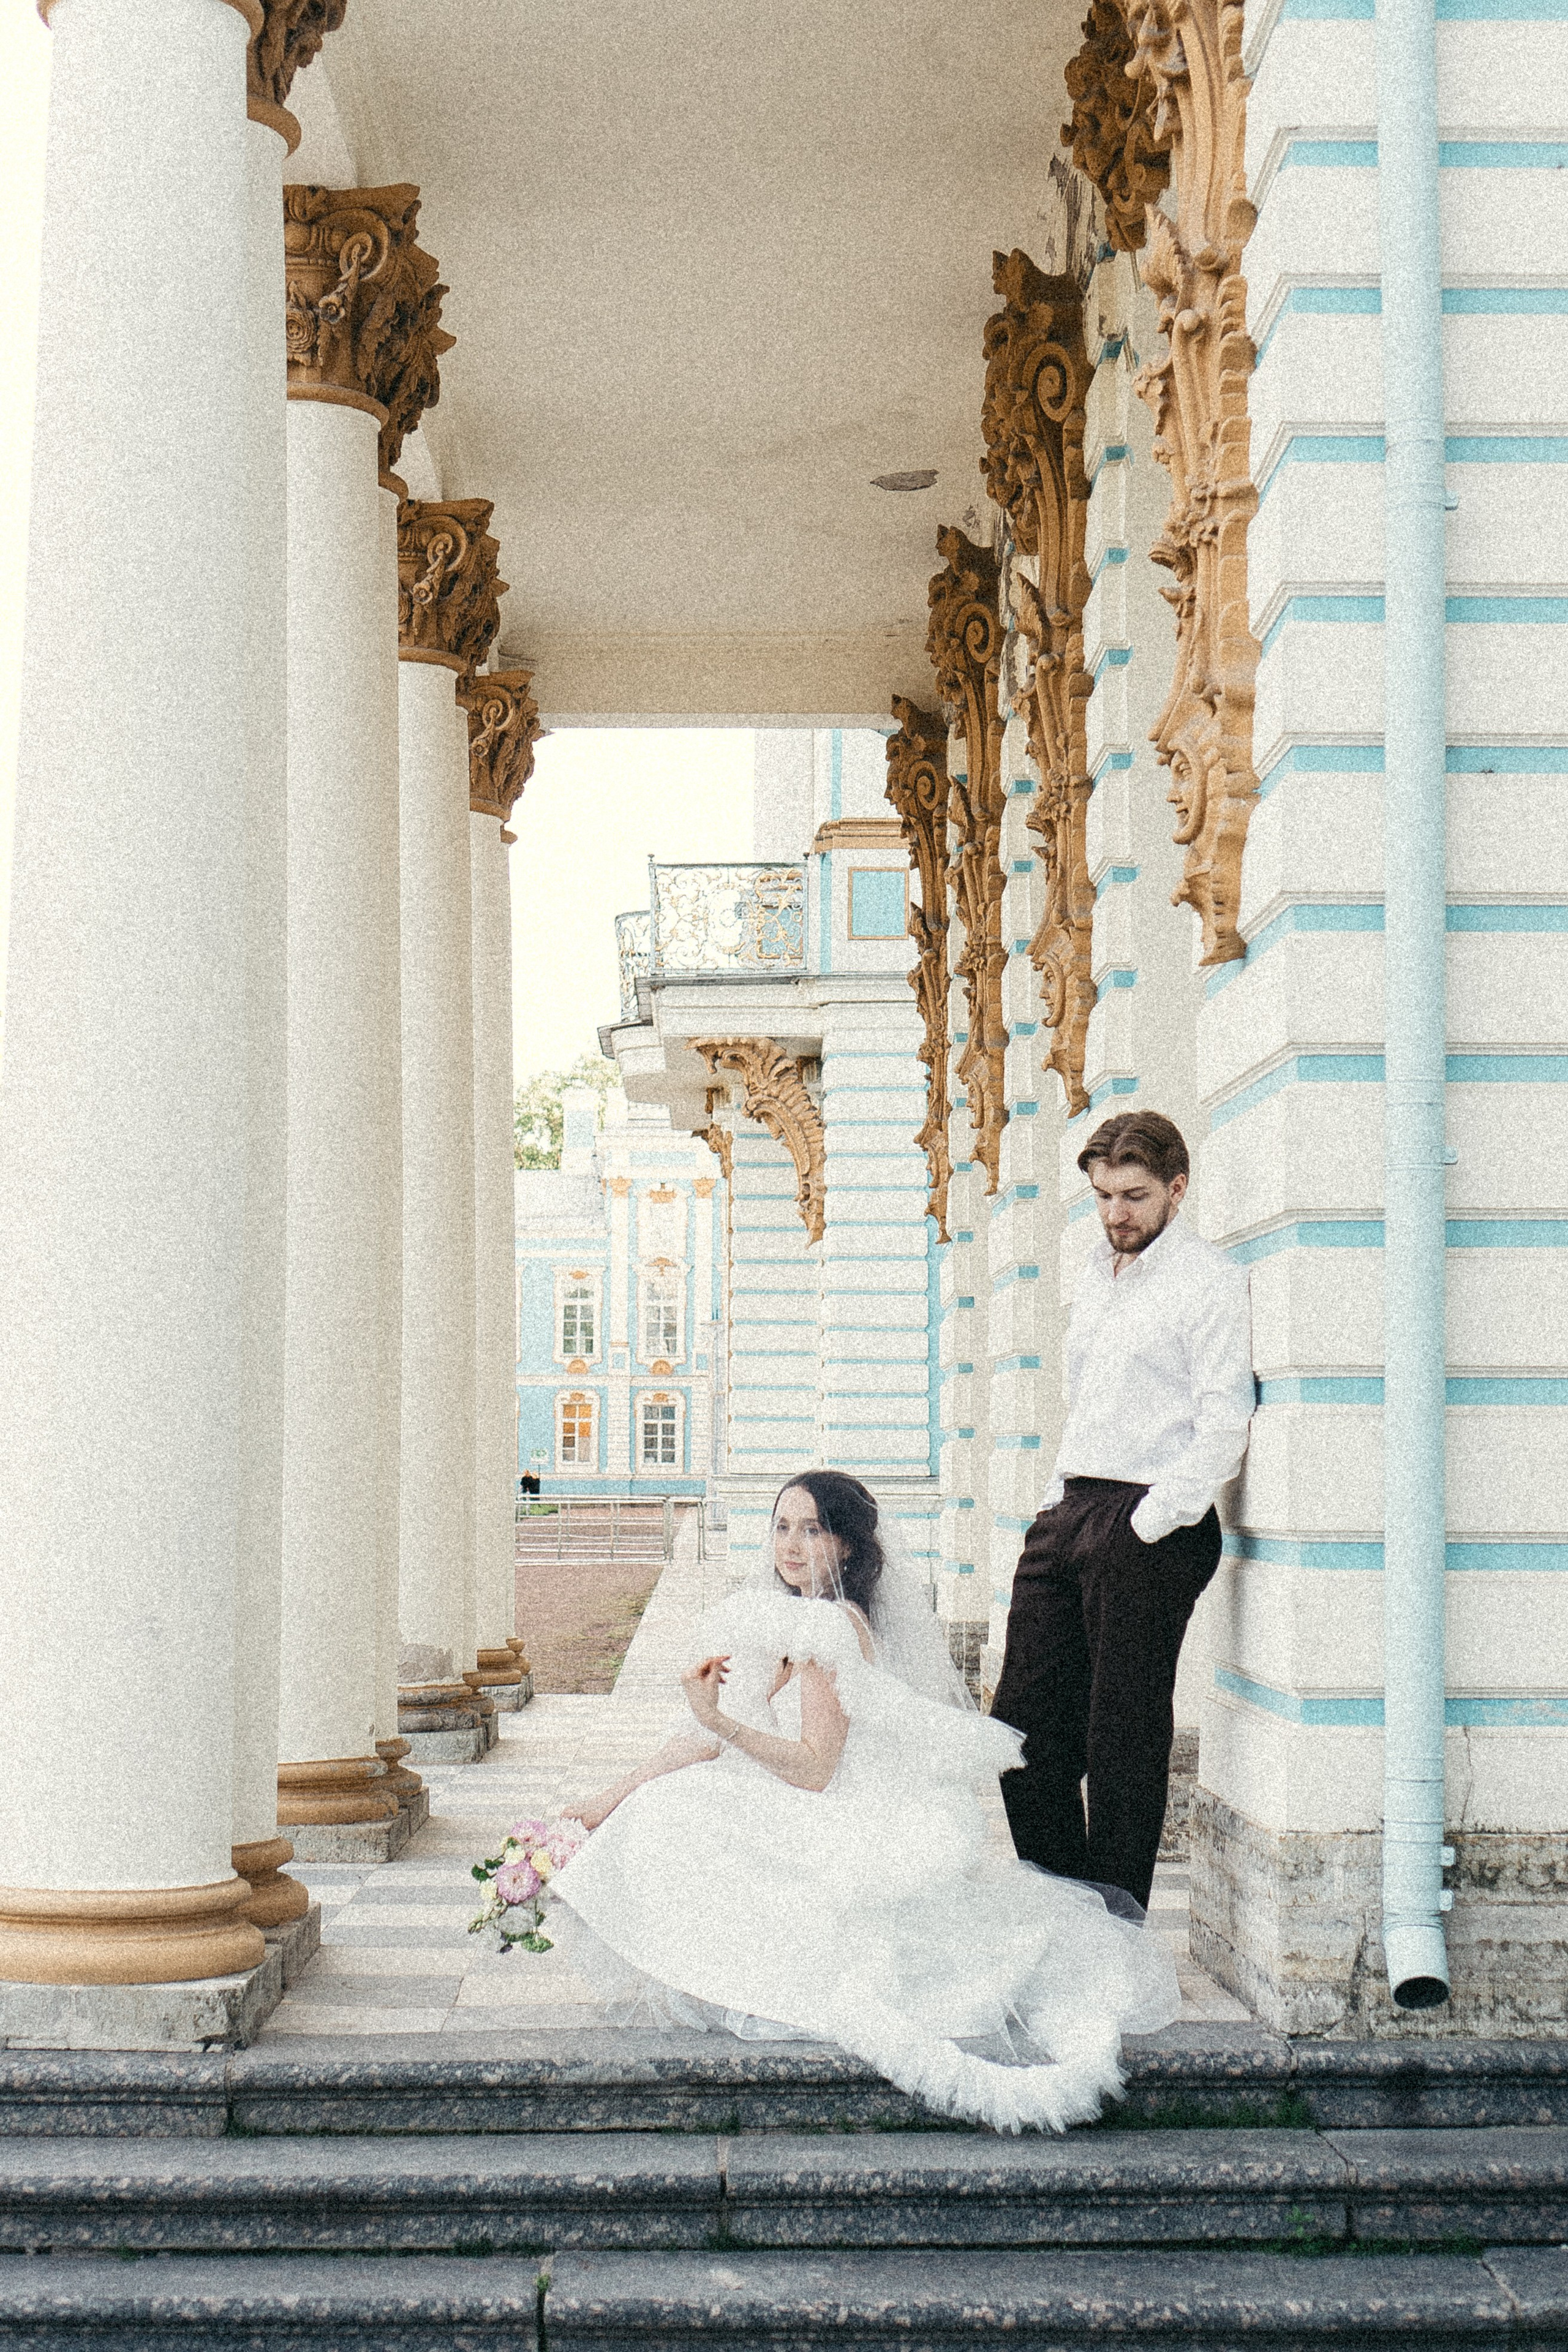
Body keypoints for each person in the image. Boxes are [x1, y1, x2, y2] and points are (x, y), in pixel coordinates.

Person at [548, 1470, 1180, 2136]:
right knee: (666, 1801)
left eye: (812, 1529)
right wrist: (604, 1800)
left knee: (681, 1815)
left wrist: (720, 1723)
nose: (790, 1545)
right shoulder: (782, 1620)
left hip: (843, 1813)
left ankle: (734, 1969)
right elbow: (697, 1747)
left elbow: (817, 1769)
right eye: (782, 1526)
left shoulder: (831, 1628)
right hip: (803, 1798)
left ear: (847, 1546)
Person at [990, 1110, 1255, 1912]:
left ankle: (1112, 1930)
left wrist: (1151, 1519)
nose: (1116, 1214)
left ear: (1177, 1188)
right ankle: (1069, 1911)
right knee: (1019, 1737)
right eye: (1103, 1196)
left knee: (1122, 1741)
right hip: (1072, 1508)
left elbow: (1225, 1421)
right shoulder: (1095, 1274)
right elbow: (1087, 1404)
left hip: (1150, 1524)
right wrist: (1053, 1503)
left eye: (1134, 1196)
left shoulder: (1206, 1283)